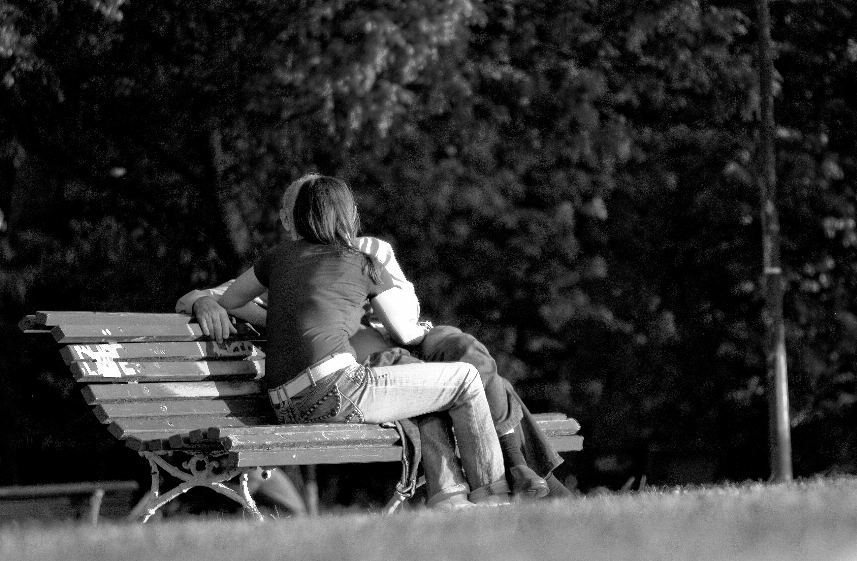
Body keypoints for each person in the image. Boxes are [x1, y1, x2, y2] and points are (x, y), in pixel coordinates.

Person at [178, 213, 573, 501]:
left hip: (402, 344)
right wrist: (201, 301)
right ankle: (523, 477)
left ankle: (519, 471)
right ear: (292, 221)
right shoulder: (286, 266)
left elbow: (407, 316)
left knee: (465, 349)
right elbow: (211, 294)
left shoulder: (369, 251)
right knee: (479, 384)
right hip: (362, 371)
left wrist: (374, 303)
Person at [212, 174, 511, 508]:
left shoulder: (278, 258)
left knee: (423, 390)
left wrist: (284, 318)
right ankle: (493, 498)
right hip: (338, 391)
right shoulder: (362, 262)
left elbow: (230, 301)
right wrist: (425, 331)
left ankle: (450, 497)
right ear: (348, 216)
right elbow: (403, 333)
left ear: (298, 217)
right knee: (466, 378)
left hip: (283, 403)